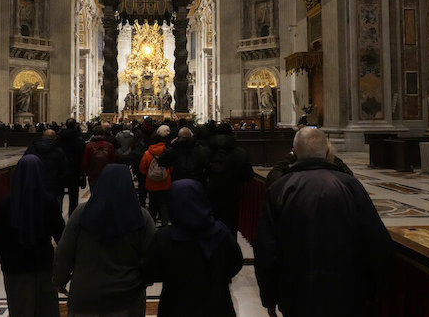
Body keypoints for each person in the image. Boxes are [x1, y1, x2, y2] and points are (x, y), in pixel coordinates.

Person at [254, 127, 392, 317]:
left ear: (294, 153)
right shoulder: (351, 185)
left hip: (296, 294)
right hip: (345, 292)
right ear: (327, 152)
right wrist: (373, 291)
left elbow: (266, 249)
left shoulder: (280, 188)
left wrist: (269, 296)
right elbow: (377, 241)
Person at [52, 165, 156, 317]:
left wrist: (59, 280)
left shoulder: (81, 213)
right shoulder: (142, 217)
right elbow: (152, 259)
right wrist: (144, 282)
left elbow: (64, 252)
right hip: (127, 299)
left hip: (86, 296)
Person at [143, 179, 243, 317]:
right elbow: (236, 264)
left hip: (175, 307)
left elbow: (150, 272)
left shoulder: (163, 238)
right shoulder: (221, 232)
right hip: (217, 306)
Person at [0, 154, 65, 317]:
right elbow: (62, 237)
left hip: (15, 267)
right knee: (46, 310)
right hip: (43, 265)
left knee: (20, 309)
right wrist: (65, 271)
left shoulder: (7, 203)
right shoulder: (48, 201)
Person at [206, 122, 254, 237]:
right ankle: (230, 249)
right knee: (231, 226)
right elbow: (248, 175)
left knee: (211, 224)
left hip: (211, 194)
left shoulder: (207, 151)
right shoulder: (240, 153)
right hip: (232, 195)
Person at [24, 129, 68, 208]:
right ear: (55, 138)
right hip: (54, 187)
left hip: (35, 186)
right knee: (55, 211)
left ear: (42, 136)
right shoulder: (58, 151)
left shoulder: (32, 149)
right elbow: (63, 170)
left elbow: (25, 164)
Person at [140, 125, 173, 226]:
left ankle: (151, 227)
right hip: (165, 182)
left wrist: (150, 174)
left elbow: (142, 168)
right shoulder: (167, 151)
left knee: (152, 205)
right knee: (164, 204)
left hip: (151, 183)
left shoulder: (147, 153)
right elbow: (171, 167)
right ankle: (165, 226)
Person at [57, 118, 85, 217]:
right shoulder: (79, 138)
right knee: (74, 195)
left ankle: (58, 215)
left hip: (61, 169)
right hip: (74, 169)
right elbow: (82, 155)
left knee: (59, 193)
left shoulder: (59, 137)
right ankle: (72, 216)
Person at [81, 124, 116, 190]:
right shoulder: (109, 145)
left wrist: (88, 173)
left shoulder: (89, 146)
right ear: (103, 133)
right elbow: (113, 161)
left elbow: (85, 162)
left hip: (93, 175)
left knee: (94, 195)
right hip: (107, 174)